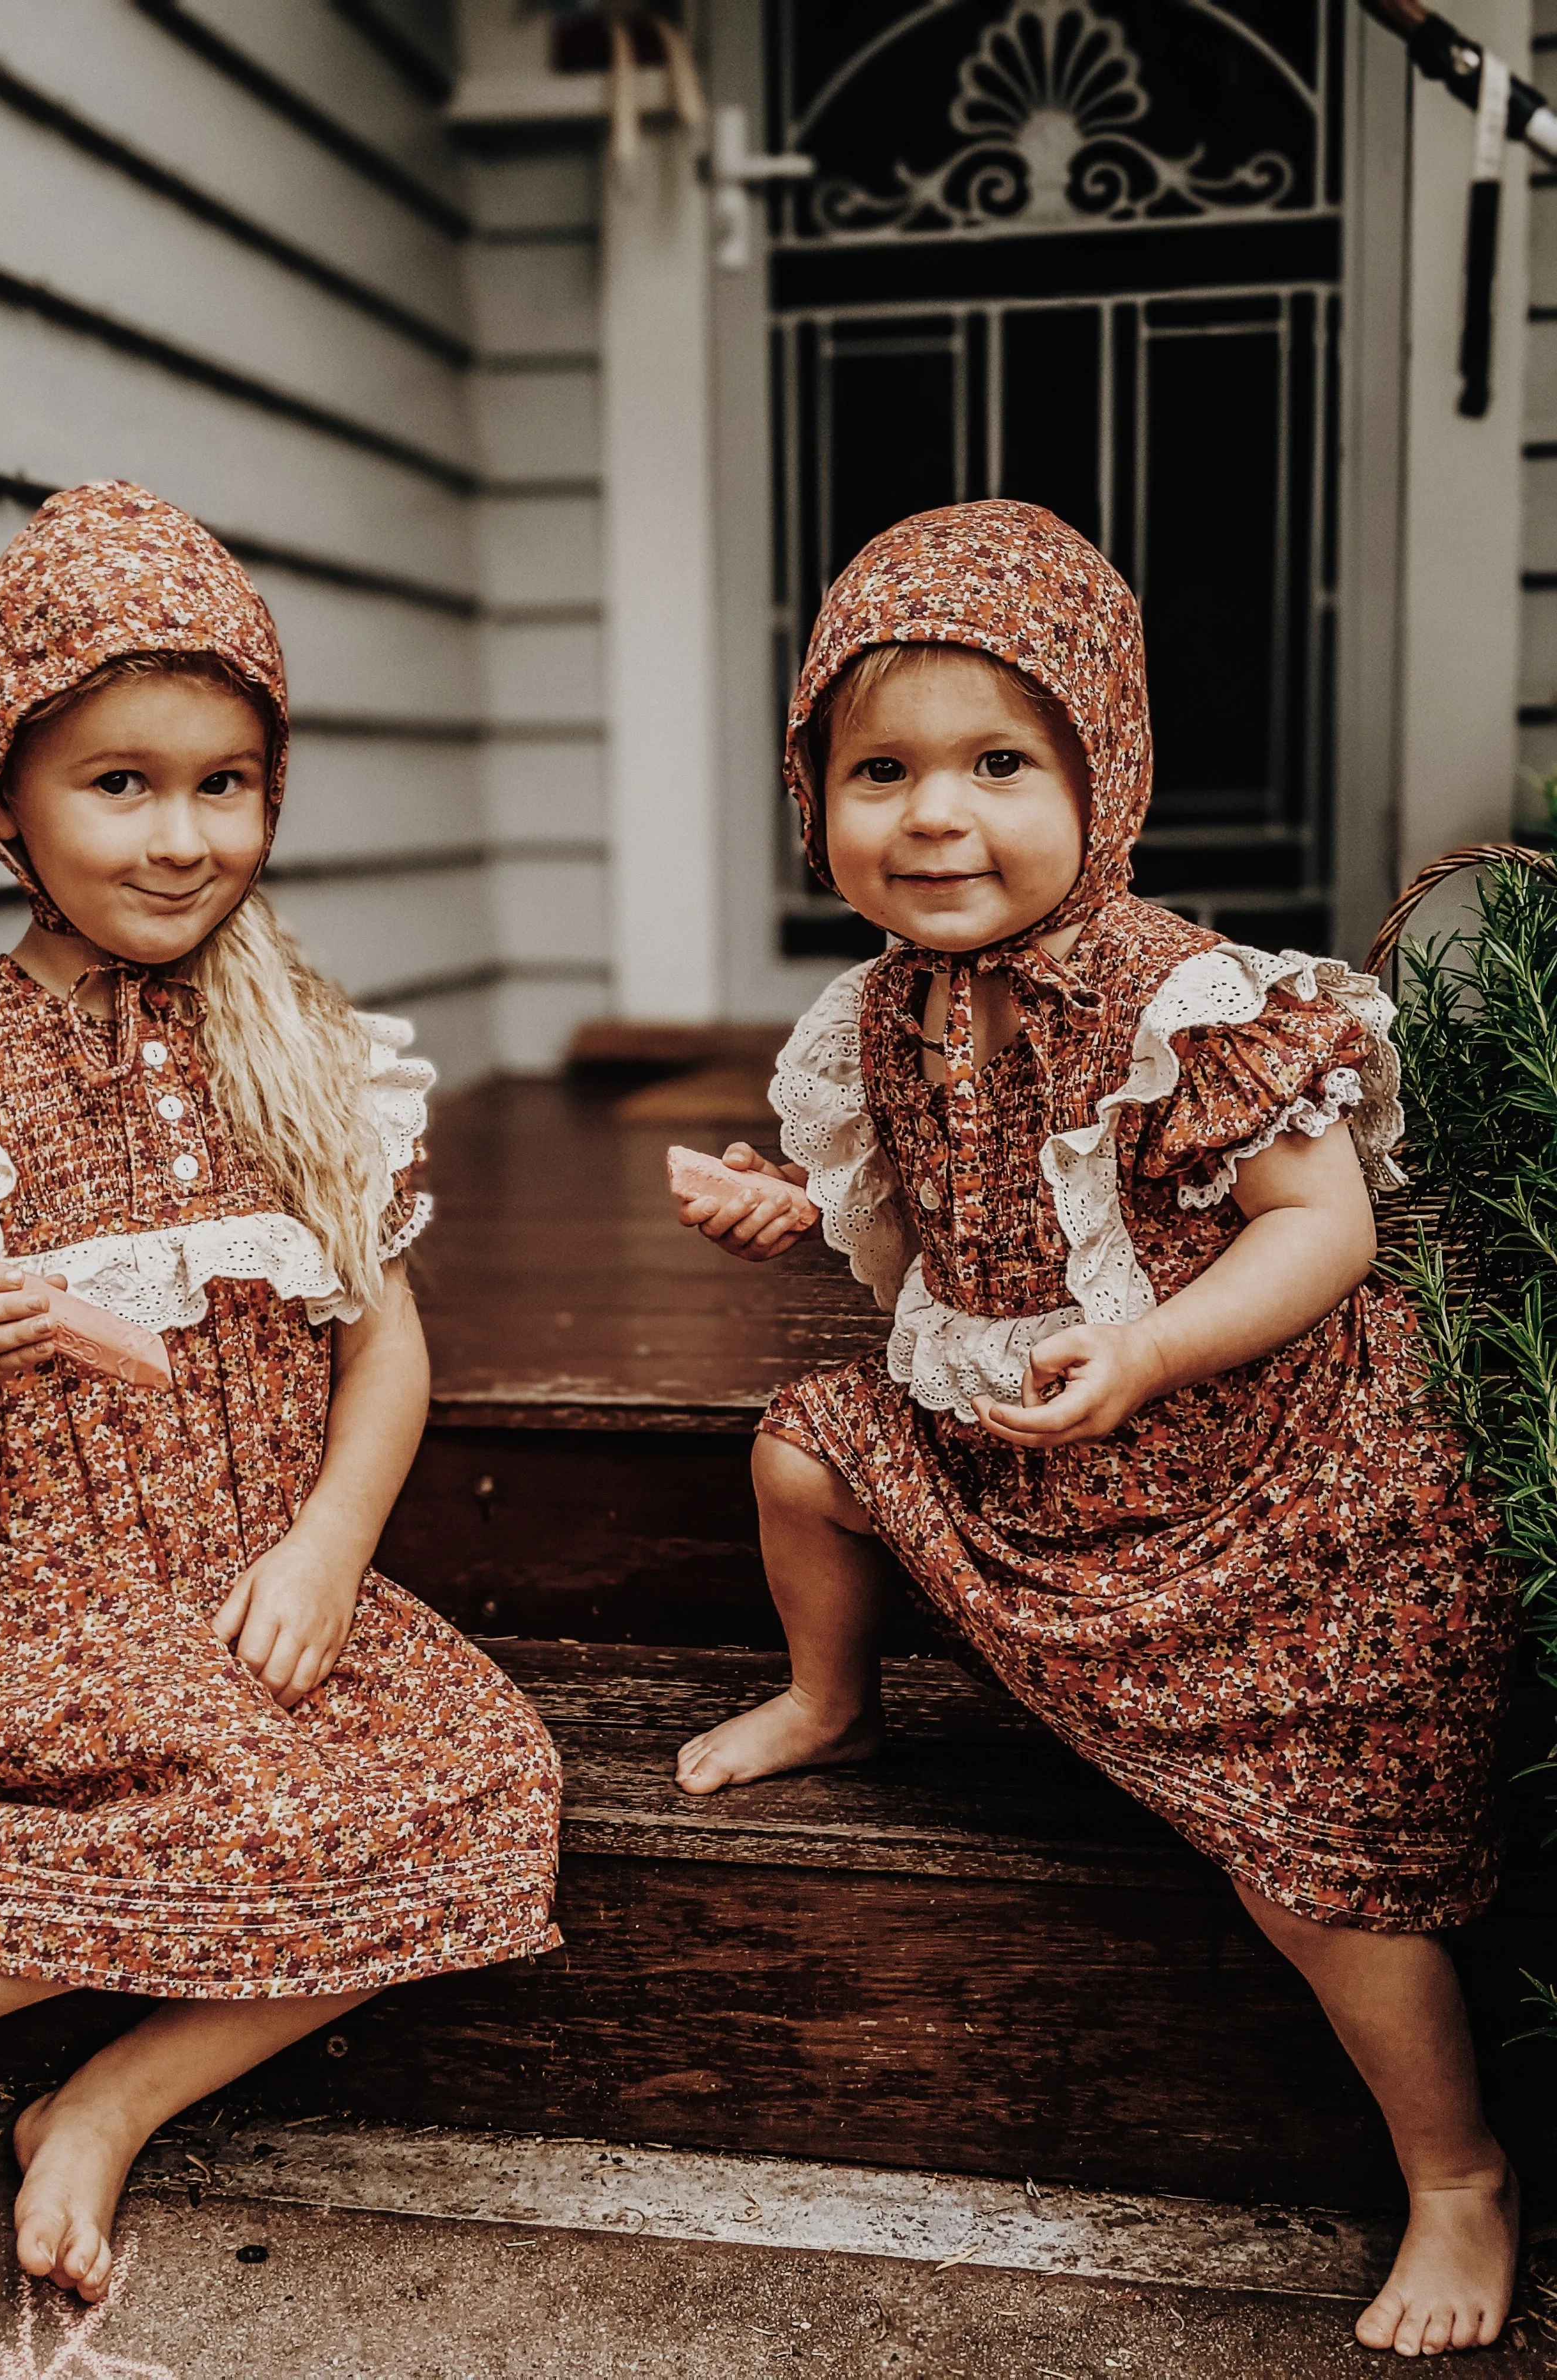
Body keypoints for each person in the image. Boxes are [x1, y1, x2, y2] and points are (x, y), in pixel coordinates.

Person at [668, 503, 1519, 2358]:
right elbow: (933, 1220)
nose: (936, 814)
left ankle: (1458, 2176)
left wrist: (1150, 1359)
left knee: (1317, 1862)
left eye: (999, 761)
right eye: (878, 768)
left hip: (1251, 1477)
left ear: (1101, 775)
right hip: (1027, 1447)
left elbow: (1324, 1231)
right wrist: (786, 1208)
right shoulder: (879, 1013)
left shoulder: (1187, 997)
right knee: (805, 1454)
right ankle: (834, 1697)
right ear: (814, 799)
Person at [0, 483, 562, 2328]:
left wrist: (330, 1541)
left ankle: (108, 2097)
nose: (184, 834)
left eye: (227, 782)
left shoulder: (308, 1051)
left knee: (486, 1787)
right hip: (35, 1580)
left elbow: (389, 1339)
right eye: (118, 784)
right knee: (235, 1790)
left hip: (255, 1568)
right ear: (7, 802)